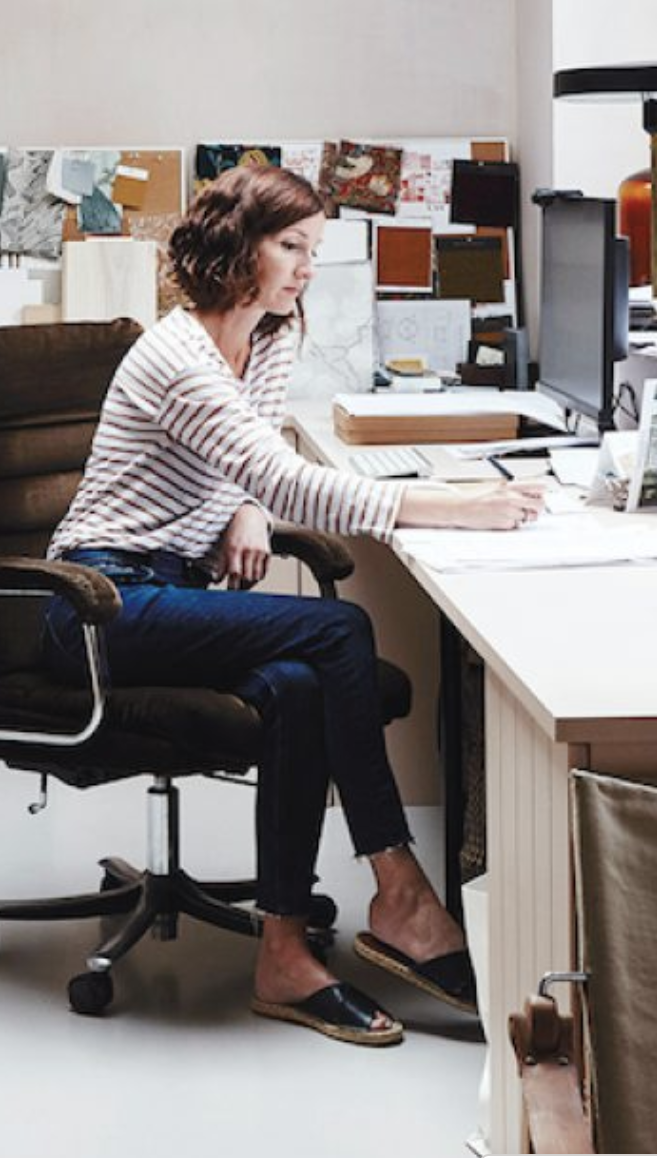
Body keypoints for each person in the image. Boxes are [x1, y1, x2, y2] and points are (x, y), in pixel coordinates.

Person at [42, 164, 544, 1046]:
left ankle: (283, 951)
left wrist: (245, 511)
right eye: (291, 246)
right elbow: (283, 477)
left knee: (298, 684)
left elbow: (255, 464)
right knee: (339, 626)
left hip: (178, 590)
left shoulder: (267, 337)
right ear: (238, 247)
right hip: (101, 602)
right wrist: (453, 505)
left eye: (315, 247)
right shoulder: (177, 355)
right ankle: (402, 893)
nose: (309, 267)